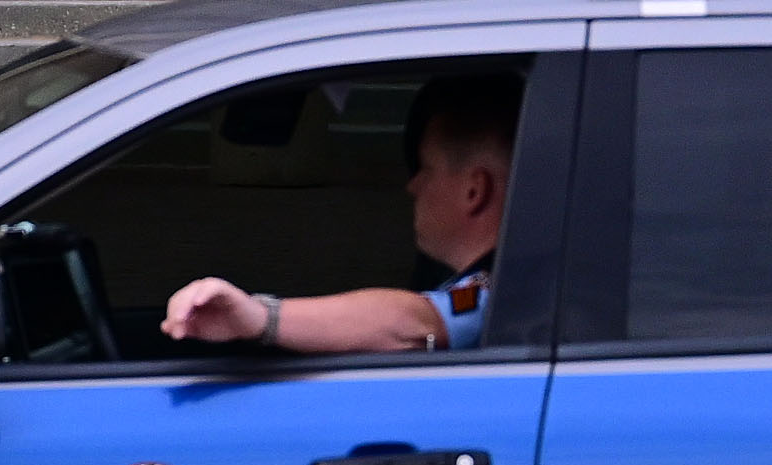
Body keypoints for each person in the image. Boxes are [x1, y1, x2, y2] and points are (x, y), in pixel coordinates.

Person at [163, 69, 519, 355]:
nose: (412, 186)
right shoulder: (519, 279)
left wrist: (259, 317)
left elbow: (414, 322)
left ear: (475, 190)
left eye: (425, 169)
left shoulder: (503, 293)